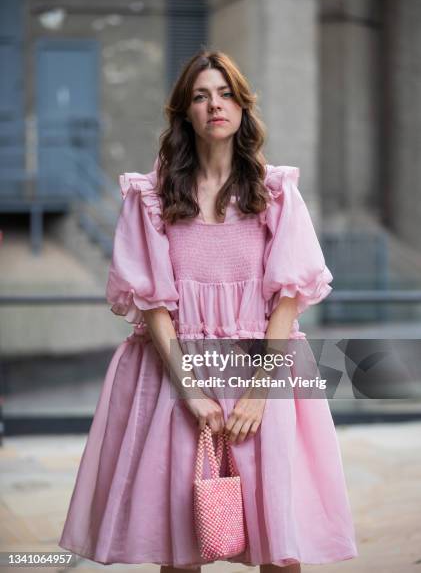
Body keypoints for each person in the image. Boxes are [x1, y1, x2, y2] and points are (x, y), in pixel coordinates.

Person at [58, 50, 358, 572]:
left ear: (242, 107)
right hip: (174, 377)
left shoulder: (276, 193)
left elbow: (288, 303)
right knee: (179, 550)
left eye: (224, 94)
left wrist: (257, 395)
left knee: (279, 547)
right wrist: (192, 390)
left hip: (262, 374)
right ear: (184, 113)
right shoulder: (150, 197)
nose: (214, 105)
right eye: (200, 96)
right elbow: (152, 306)